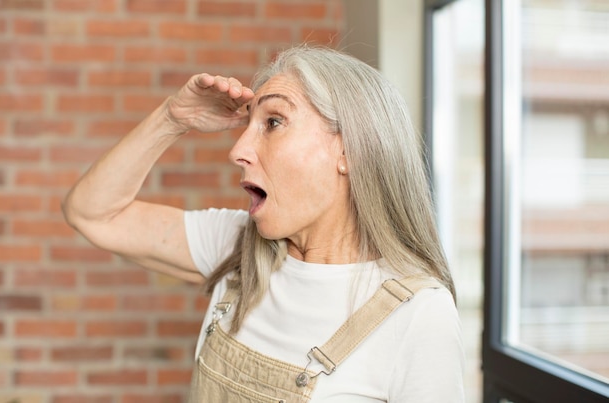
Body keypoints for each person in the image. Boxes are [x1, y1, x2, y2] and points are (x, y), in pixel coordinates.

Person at [63, 45, 465, 402]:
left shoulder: (419, 313)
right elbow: (93, 213)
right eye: (248, 125)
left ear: (349, 151)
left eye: (273, 123)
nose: (238, 150)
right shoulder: (236, 245)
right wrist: (173, 117)